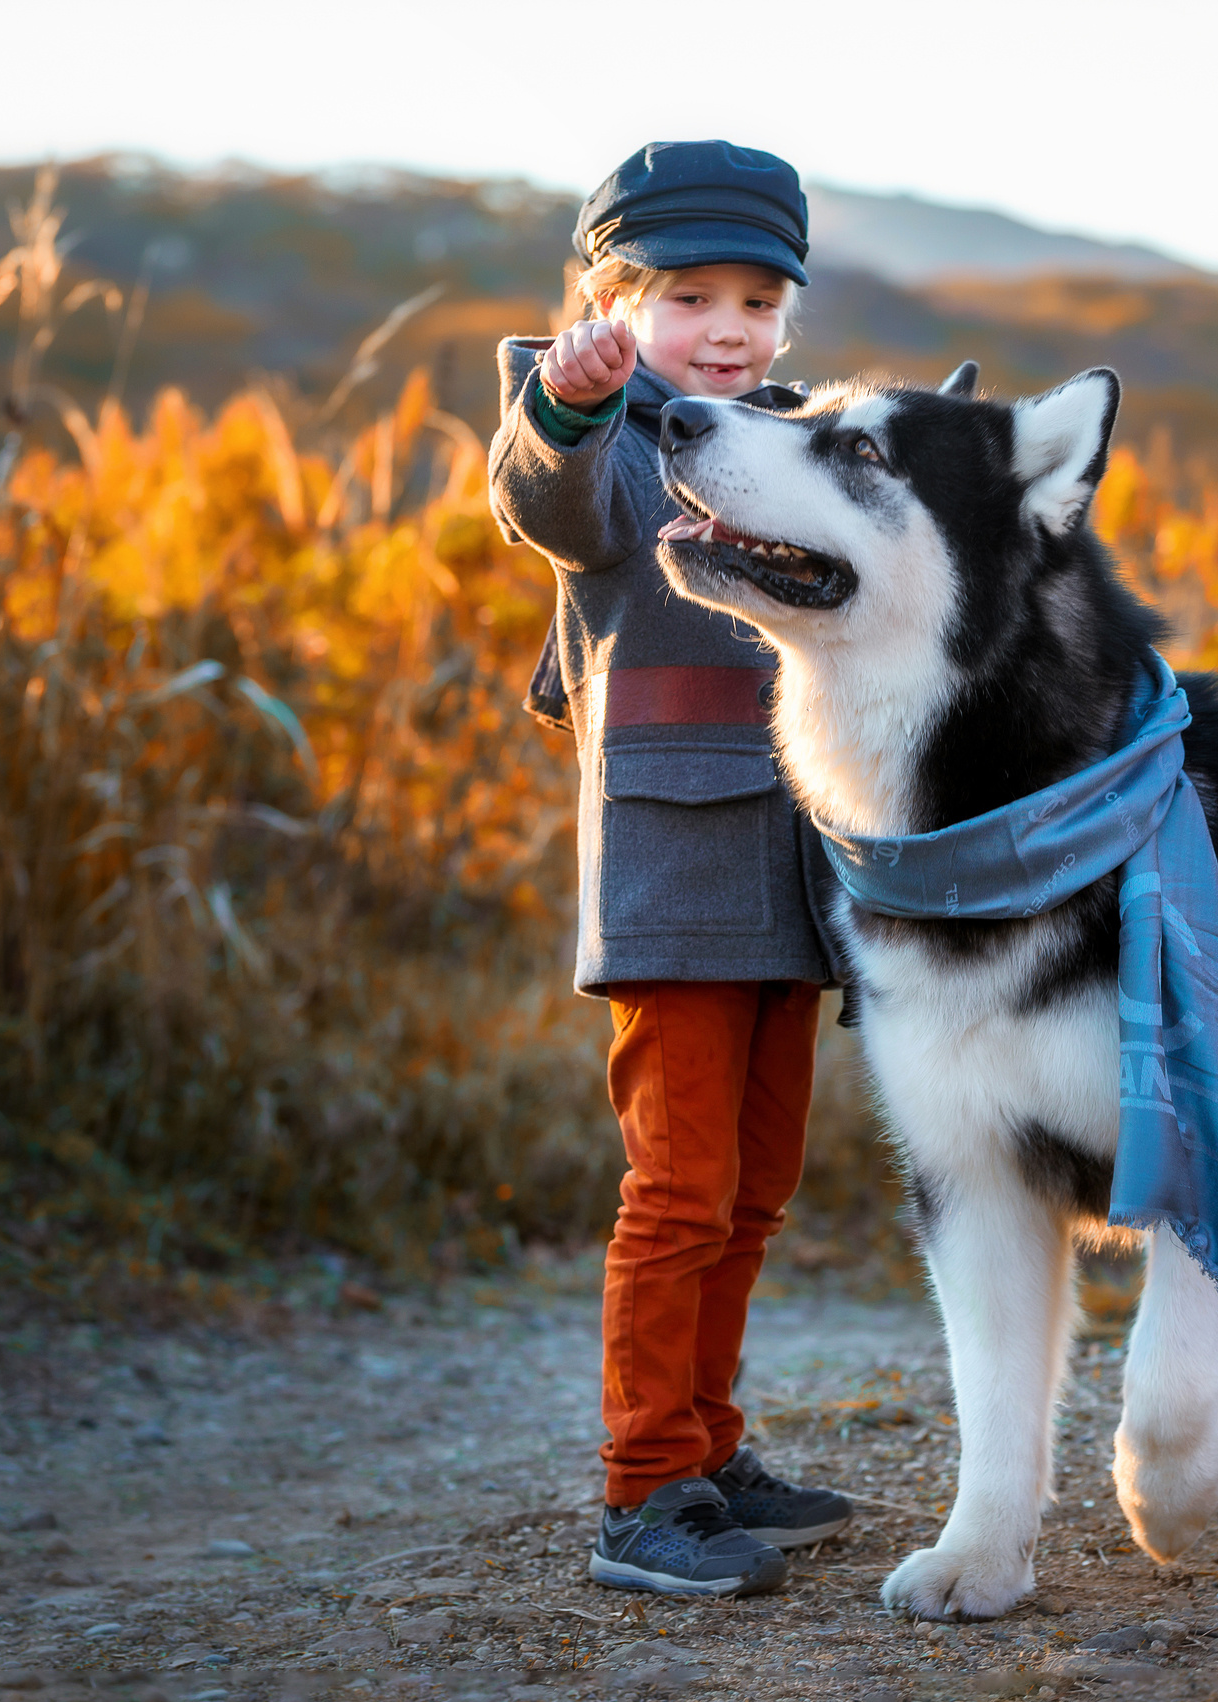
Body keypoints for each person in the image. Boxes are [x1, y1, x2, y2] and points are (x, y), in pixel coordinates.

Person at [486, 140, 854, 1599]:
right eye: (689, 297)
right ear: (609, 303)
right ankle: (643, 1489)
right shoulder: (606, 444)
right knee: (680, 1190)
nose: (727, 330)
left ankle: (709, 1448)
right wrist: (567, 404)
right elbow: (545, 503)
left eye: (758, 303)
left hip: (796, 873)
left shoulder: (782, 441)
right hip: (674, 879)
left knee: (756, 1190)